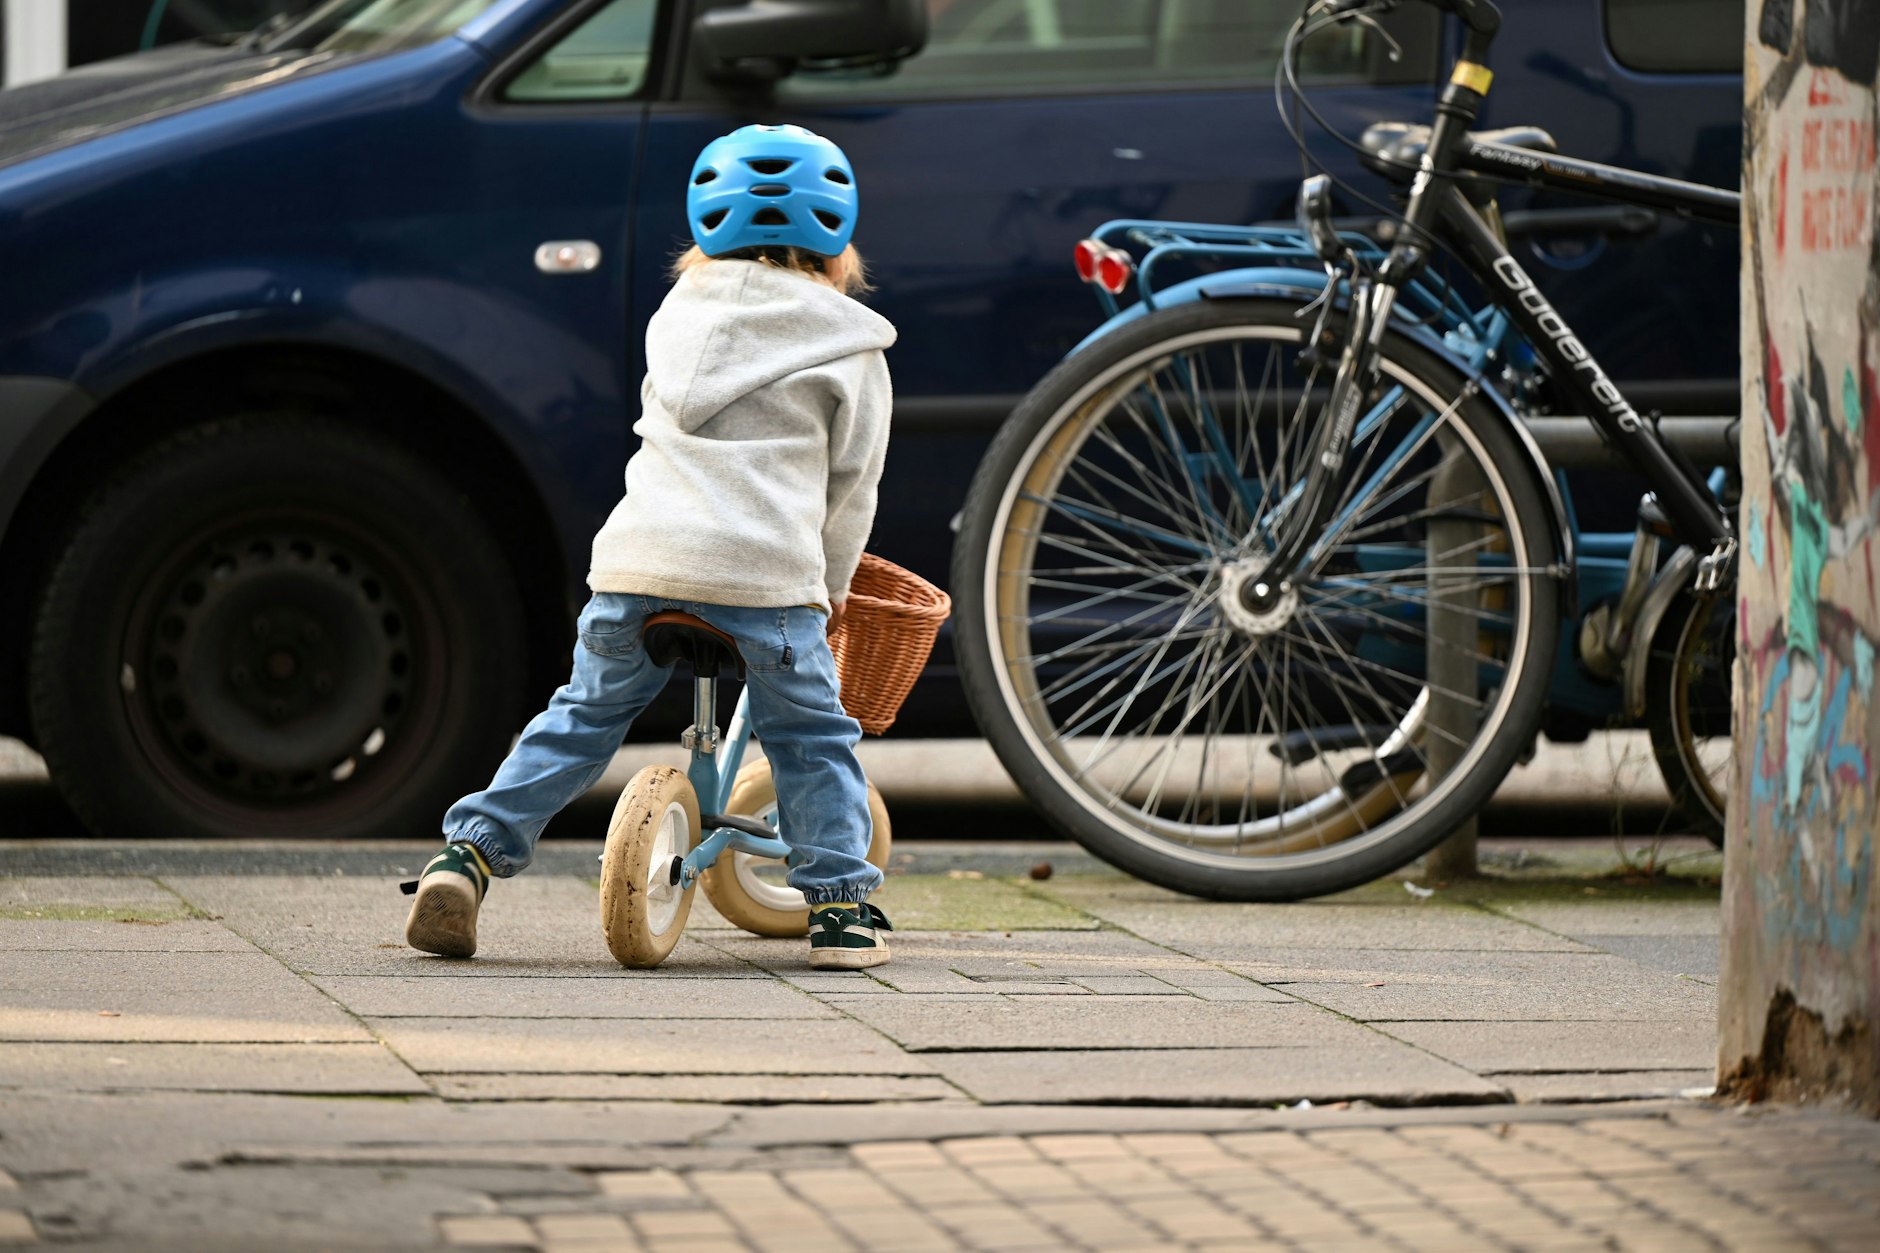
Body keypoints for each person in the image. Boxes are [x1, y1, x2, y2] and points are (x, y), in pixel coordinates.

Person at [402, 124, 895, 969]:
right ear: (837, 243)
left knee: (582, 716)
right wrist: (834, 585)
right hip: (764, 578)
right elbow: (849, 490)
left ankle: (468, 855)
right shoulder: (852, 347)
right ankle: (842, 908)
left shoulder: (678, 319)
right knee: (812, 738)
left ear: (705, 231)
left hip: (639, 563)